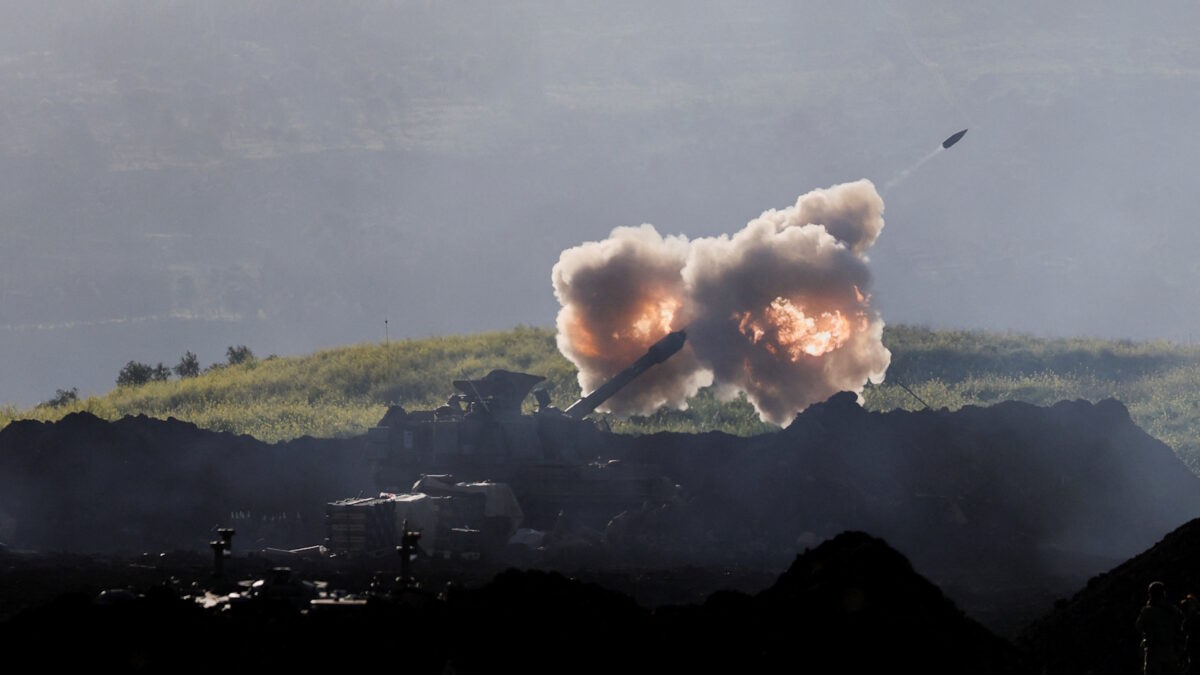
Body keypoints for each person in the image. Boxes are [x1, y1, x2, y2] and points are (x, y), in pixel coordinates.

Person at [1137, 581, 1186, 675]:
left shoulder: (1148, 611)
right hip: (1170, 653)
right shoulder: (1172, 610)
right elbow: (1181, 625)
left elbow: (1138, 626)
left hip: (1153, 654)